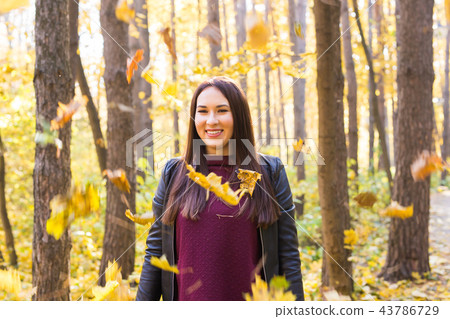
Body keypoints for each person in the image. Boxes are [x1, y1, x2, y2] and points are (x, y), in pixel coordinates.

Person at [136, 76, 304, 301]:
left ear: (239, 116)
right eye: (203, 111)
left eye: (222, 110)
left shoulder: (269, 172)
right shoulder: (174, 173)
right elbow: (155, 253)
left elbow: (288, 257)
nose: (211, 120)